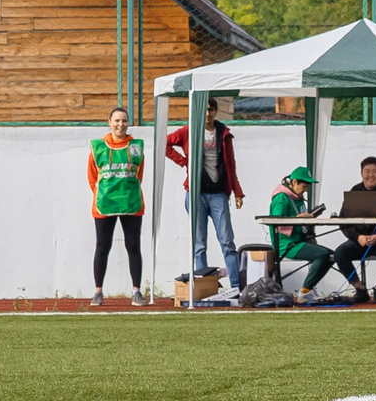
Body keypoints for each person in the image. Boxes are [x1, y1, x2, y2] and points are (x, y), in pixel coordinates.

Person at [165, 106, 245, 292]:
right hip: (196, 193)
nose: (207, 113)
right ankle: (204, 289)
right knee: (199, 244)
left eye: (211, 110)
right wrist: (183, 161)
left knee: (227, 241)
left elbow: (231, 164)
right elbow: (165, 143)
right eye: (204, 109)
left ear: (216, 111)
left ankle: (236, 287)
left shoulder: (223, 133)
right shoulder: (189, 131)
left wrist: (237, 192)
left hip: (219, 194)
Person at [88, 107, 146, 307]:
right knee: (102, 247)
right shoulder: (98, 147)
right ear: (109, 122)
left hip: (131, 203)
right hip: (105, 204)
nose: (121, 125)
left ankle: (136, 292)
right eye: (117, 121)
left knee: (133, 246)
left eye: (124, 121)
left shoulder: (136, 147)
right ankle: (98, 292)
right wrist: (105, 194)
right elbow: (92, 178)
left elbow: (138, 175)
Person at [331, 155, 376, 303]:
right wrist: (357, 237)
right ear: (361, 173)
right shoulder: (354, 191)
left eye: (375, 171)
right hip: (360, 241)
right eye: (367, 171)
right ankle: (359, 288)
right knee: (340, 253)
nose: (371, 175)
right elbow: (344, 221)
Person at [263, 165, 332, 303]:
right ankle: (305, 292)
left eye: (307, 187)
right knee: (323, 255)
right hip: (286, 244)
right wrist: (298, 219)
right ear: (294, 182)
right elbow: (276, 220)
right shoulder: (281, 198)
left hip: (299, 241)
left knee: (331, 256)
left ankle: (308, 290)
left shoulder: (298, 198)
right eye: (304, 186)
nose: (305, 190)